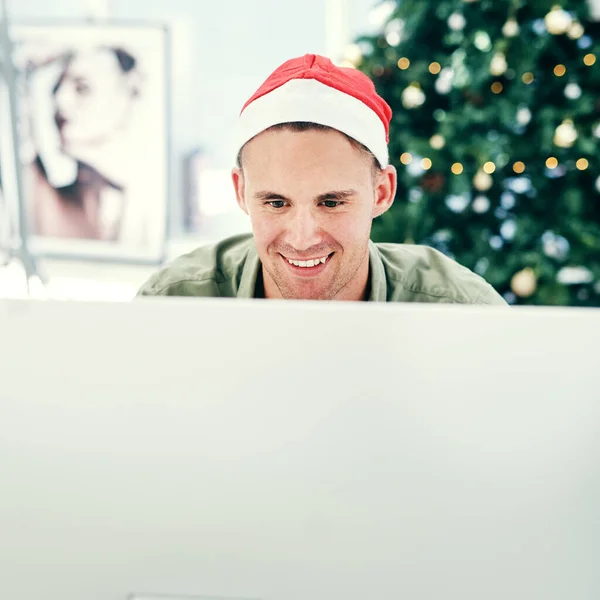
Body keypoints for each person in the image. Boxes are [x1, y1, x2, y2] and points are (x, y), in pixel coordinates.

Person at [138, 54, 506, 304]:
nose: (302, 238)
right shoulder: (175, 301)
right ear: (240, 191)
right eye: (276, 203)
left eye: (331, 203)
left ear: (381, 192)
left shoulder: (460, 311)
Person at [23, 46, 142, 241]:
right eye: (56, 88)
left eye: (82, 88)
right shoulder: (37, 189)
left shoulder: (143, 207)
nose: (60, 99)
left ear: (130, 94)